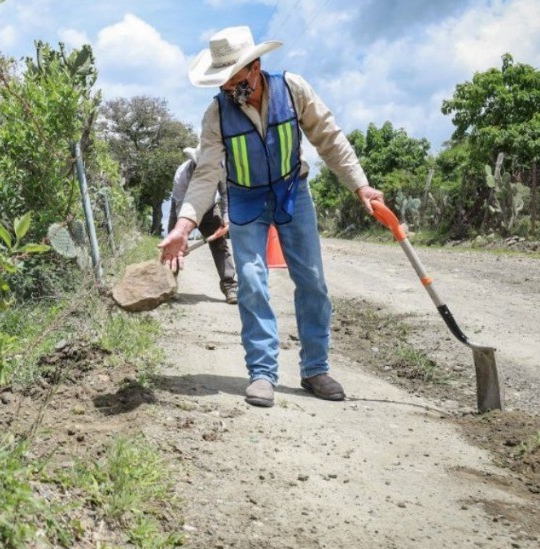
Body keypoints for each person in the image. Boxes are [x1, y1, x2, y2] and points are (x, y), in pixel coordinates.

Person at [158, 26, 386, 408]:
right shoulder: (216, 113)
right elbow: (207, 173)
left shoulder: (293, 89)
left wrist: (360, 185)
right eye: (225, 83)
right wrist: (184, 226)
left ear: (256, 66)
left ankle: (315, 368)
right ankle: (262, 373)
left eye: (236, 79)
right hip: (246, 201)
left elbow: (329, 138)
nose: (232, 89)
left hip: (292, 193)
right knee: (250, 282)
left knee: (312, 280)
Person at [168, 146, 238, 304]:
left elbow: (227, 195)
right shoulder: (182, 175)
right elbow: (181, 207)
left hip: (209, 208)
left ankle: (229, 286)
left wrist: (227, 219)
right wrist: (183, 235)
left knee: (220, 245)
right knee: (173, 247)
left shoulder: (220, 169)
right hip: (183, 209)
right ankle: (169, 285)